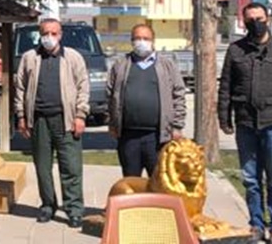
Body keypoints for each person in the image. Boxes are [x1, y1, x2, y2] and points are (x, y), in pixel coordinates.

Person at [217, 2, 272, 243]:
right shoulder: (236, 50)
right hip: (246, 123)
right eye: (250, 19)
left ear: (268, 19)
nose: (255, 23)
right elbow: (225, 86)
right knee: (250, 179)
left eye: (259, 18)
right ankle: (256, 224)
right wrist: (223, 117)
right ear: (243, 21)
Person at [13, 18, 89, 228]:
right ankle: (48, 205)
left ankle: (73, 209)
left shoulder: (73, 57)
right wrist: (21, 116)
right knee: (43, 167)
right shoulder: (29, 58)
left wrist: (81, 115)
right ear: (40, 34)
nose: (49, 37)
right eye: (45, 33)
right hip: (38, 121)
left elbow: (83, 87)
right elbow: (20, 88)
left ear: (60, 34)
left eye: (53, 33)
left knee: (71, 167)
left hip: (66, 121)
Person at [106, 24, 187, 178]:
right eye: (137, 38)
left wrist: (177, 126)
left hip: (157, 137)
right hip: (128, 136)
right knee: (131, 181)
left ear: (153, 41)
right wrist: (111, 122)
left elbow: (179, 95)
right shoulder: (121, 64)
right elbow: (110, 95)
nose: (141, 42)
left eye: (145, 38)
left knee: (160, 181)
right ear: (131, 41)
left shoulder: (167, 65)